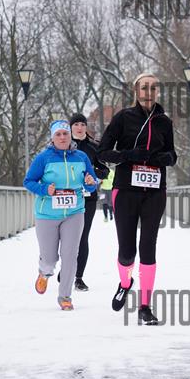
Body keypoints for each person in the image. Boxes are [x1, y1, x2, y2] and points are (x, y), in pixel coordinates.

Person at [97, 73, 177, 325]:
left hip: (154, 191)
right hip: (126, 190)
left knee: (148, 247)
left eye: (153, 87)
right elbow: (102, 153)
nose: (149, 92)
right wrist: (130, 155)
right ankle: (125, 283)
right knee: (127, 251)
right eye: (144, 87)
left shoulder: (164, 122)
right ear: (136, 90)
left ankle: (145, 306)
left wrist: (162, 158)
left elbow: (172, 155)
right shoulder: (123, 118)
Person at [23, 120, 99, 310]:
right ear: (52, 138)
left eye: (65, 134)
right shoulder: (43, 158)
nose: (63, 137)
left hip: (74, 212)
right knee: (49, 258)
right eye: (58, 134)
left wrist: (91, 183)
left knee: (70, 255)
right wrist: (44, 190)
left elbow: (91, 182)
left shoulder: (81, 157)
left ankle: (65, 297)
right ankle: (44, 272)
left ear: (70, 136)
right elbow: (28, 181)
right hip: (47, 214)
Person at [64, 113, 110, 291]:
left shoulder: (94, 146)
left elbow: (105, 171)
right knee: (66, 237)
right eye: (76, 124)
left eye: (82, 124)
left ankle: (78, 277)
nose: (79, 127)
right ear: (71, 127)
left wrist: (91, 173)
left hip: (87, 198)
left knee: (82, 236)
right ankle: (66, 269)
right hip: (66, 197)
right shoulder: (63, 145)